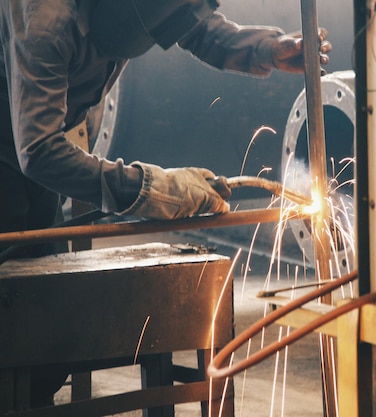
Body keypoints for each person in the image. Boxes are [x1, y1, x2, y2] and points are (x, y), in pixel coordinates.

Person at [0, 0, 331, 406]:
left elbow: (191, 27)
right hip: (15, 140)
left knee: (44, 329)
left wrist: (266, 47)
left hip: (32, 143)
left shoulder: (138, 9)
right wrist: (146, 189)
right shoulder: (47, 19)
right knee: (15, 318)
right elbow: (37, 149)